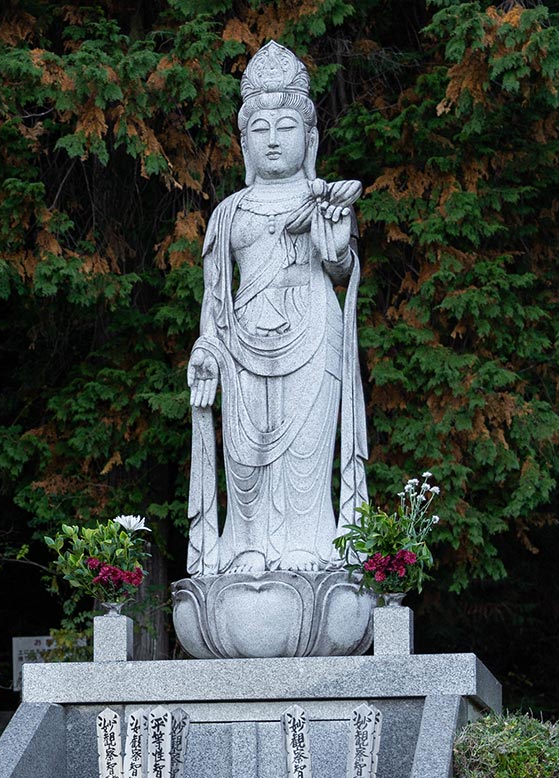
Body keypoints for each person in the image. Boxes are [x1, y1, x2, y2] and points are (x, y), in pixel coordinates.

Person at [186, 41, 367, 576]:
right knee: (246, 458)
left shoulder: (323, 199)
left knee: (307, 456)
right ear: (243, 142)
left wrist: (334, 241)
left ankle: (309, 546)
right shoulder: (228, 213)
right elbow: (214, 296)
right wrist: (205, 352)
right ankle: (247, 547)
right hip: (243, 344)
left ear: (308, 138)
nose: (272, 139)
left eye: (284, 127)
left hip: (313, 332)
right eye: (259, 129)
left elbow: (338, 270)